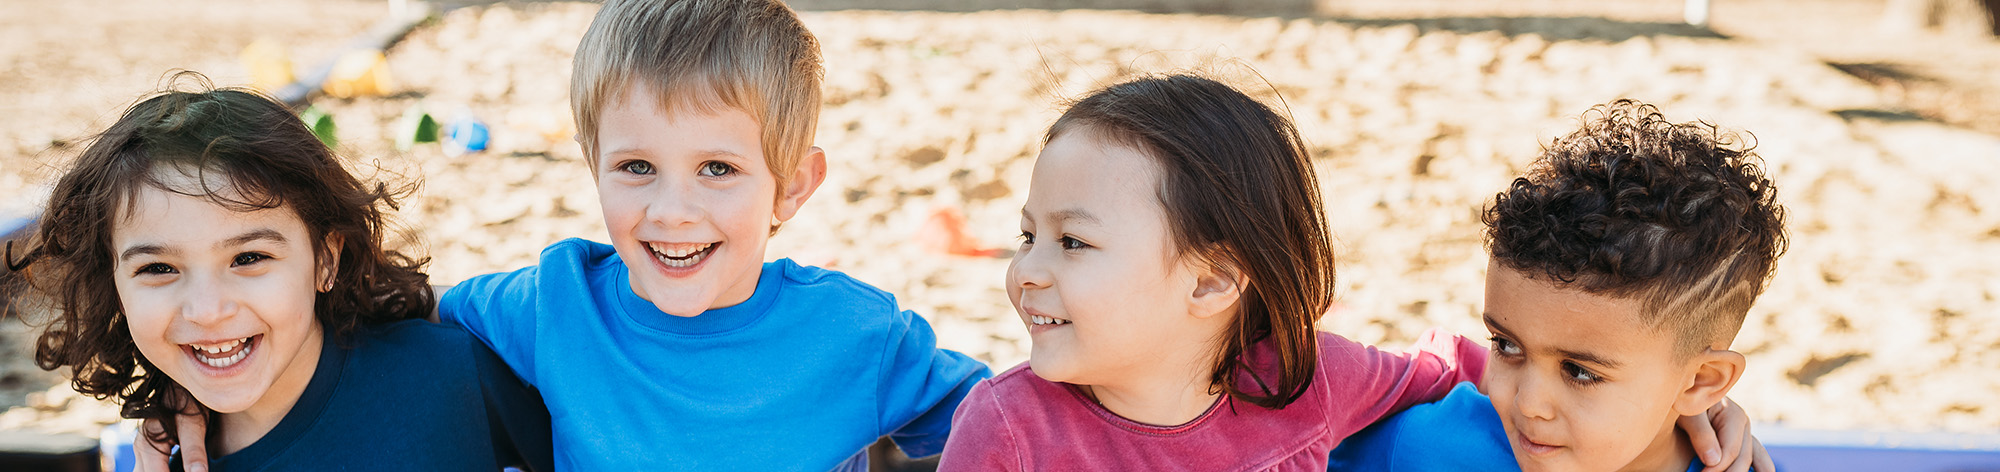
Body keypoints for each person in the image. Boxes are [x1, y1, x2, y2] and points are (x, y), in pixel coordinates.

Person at [938, 77, 1768, 471]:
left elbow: (1435, 365)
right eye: (1026, 237)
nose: (1526, 397)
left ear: (1214, 283)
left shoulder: (1310, 380)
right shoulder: (1013, 429)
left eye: (1071, 243)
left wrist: (1699, 409)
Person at [444, 0, 990, 469]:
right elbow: (408, 304)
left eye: (717, 169)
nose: (673, 212)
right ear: (593, 165)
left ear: (792, 186)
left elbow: (1003, 419)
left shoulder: (856, 333)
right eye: (636, 166)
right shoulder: (555, 302)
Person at [9, 76, 550, 472]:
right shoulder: (166, 458)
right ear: (115, 287)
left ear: (326, 259)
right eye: (158, 268)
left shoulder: (452, 374)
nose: (207, 309)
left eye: (248, 259)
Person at [1328, 99, 1784, 472]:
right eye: (1506, 345)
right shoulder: (1418, 450)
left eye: (1580, 372)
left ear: (1702, 382)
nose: (1528, 403)